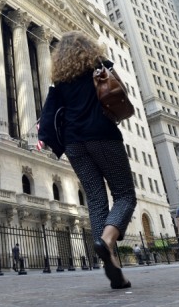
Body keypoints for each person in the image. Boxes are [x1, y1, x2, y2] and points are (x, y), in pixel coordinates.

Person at [46, 31, 136, 289]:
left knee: (96, 201)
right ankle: (107, 242)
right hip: (103, 136)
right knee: (125, 195)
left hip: (74, 143)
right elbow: (121, 92)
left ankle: (115, 271)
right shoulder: (100, 67)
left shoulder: (60, 81)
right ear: (88, 48)